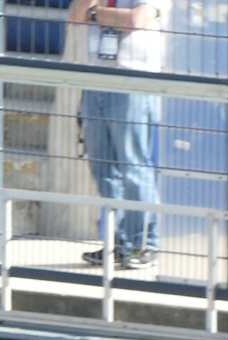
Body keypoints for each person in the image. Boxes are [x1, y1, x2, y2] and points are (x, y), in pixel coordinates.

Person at [68, 0, 165, 269]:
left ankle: (143, 244)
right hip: (96, 79)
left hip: (132, 81)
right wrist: (95, 11)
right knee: (103, 169)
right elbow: (75, 17)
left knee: (134, 165)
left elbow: (136, 20)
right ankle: (117, 243)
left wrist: (96, 13)